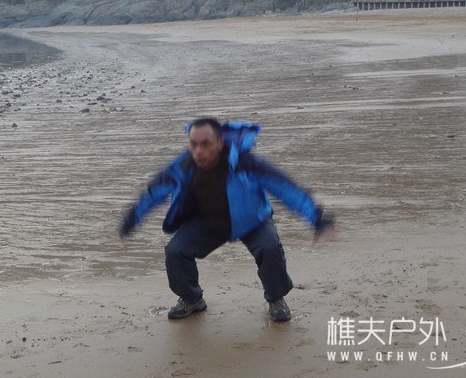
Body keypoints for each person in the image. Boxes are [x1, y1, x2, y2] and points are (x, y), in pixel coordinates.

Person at [119, 118, 334, 322]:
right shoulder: (183, 166)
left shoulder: (245, 162)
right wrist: (131, 219)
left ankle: (276, 298)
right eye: (193, 144)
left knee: (269, 248)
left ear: (220, 143)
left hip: (252, 220)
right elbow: (154, 192)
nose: (199, 151)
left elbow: (285, 188)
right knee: (176, 251)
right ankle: (191, 299)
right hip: (208, 222)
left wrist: (317, 218)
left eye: (205, 144)